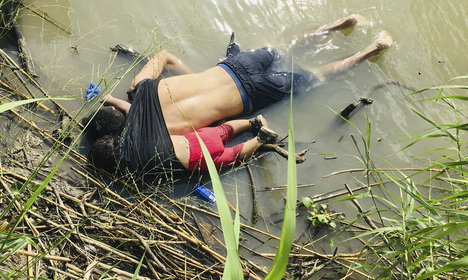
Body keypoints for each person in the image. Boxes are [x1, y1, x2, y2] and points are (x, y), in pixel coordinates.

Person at [84, 14, 393, 174]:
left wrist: (254, 138)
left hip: (252, 95)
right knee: (281, 48)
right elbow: (164, 56)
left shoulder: (168, 136)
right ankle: (342, 24)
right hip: (233, 67)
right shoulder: (139, 87)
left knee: (315, 76)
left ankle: (371, 50)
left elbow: (218, 135)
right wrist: (203, 78)